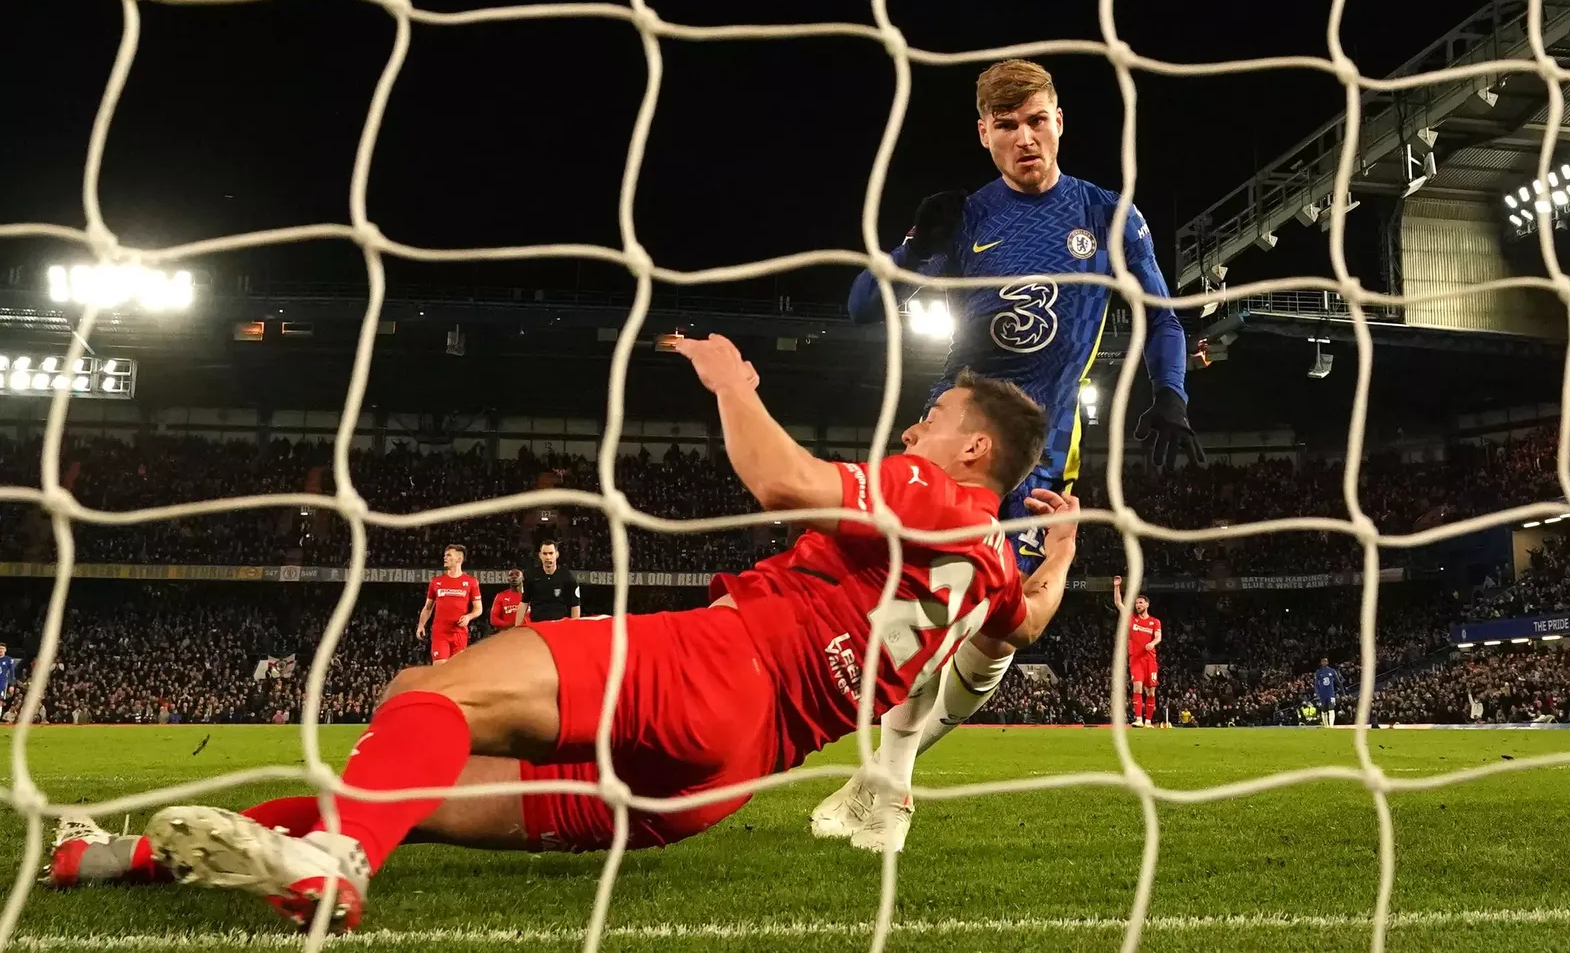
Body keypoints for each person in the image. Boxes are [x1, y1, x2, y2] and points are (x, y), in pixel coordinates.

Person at [54, 337, 1078, 931]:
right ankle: (117, 859)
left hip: (718, 667)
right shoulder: (991, 567)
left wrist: (733, 383)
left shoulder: (927, 486)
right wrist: (1060, 559)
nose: (913, 427)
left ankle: (334, 865)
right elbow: (1022, 626)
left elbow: (780, 482)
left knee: (427, 689)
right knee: (399, 784)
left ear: (973, 446)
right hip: (722, 777)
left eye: (935, 413)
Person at [825, 58, 1197, 847]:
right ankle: (884, 782)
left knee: (1007, 630)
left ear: (1060, 121)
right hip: (956, 448)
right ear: (984, 136)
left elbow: (1163, 316)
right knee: (932, 612)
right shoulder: (966, 217)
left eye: (1037, 120)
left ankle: (884, 773)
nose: (1024, 138)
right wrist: (913, 245)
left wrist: (1172, 392)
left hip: (1043, 458)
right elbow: (863, 306)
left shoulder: (1107, 215)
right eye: (1006, 126)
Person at [415, 546, 481, 664]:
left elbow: (478, 609)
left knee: (457, 670)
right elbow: (428, 607)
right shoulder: (436, 582)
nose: (444, 557)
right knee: (440, 668)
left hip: (459, 632)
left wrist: (468, 617)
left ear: (459, 559)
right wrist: (421, 625)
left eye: (449, 555)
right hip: (440, 632)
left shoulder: (471, 582)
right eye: (445, 555)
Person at [1112, 576, 1162, 727]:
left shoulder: (1155, 621)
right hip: (1136, 659)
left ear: (1147, 604)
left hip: (1150, 660)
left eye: (1140, 602)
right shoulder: (1132, 618)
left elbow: (1158, 637)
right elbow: (1118, 603)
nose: (1138, 605)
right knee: (1137, 687)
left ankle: (1148, 721)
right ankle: (1139, 719)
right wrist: (1116, 587)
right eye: (1136, 603)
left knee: (1151, 691)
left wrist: (1152, 643)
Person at [521, 540, 581, 623]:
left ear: (557, 554)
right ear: (540, 555)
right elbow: (524, 603)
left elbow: (575, 605)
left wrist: (574, 627)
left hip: (559, 626)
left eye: (551, 553)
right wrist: (517, 628)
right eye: (545, 554)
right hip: (537, 625)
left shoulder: (568, 577)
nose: (548, 557)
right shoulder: (531, 576)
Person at [1313, 656, 1344, 728]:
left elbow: (1338, 682)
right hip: (1322, 694)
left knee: (1331, 708)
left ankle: (1331, 726)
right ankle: (1326, 726)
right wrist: (1317, 693)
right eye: (1323, 661)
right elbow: (1316, 684)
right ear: (1321, 663)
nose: (1324, 662)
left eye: (1325, 661)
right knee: (1324, 710)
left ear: (1327, 662)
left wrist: (1343, 692)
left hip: (1330, 693)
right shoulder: (1318, 672)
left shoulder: (1332, 671)